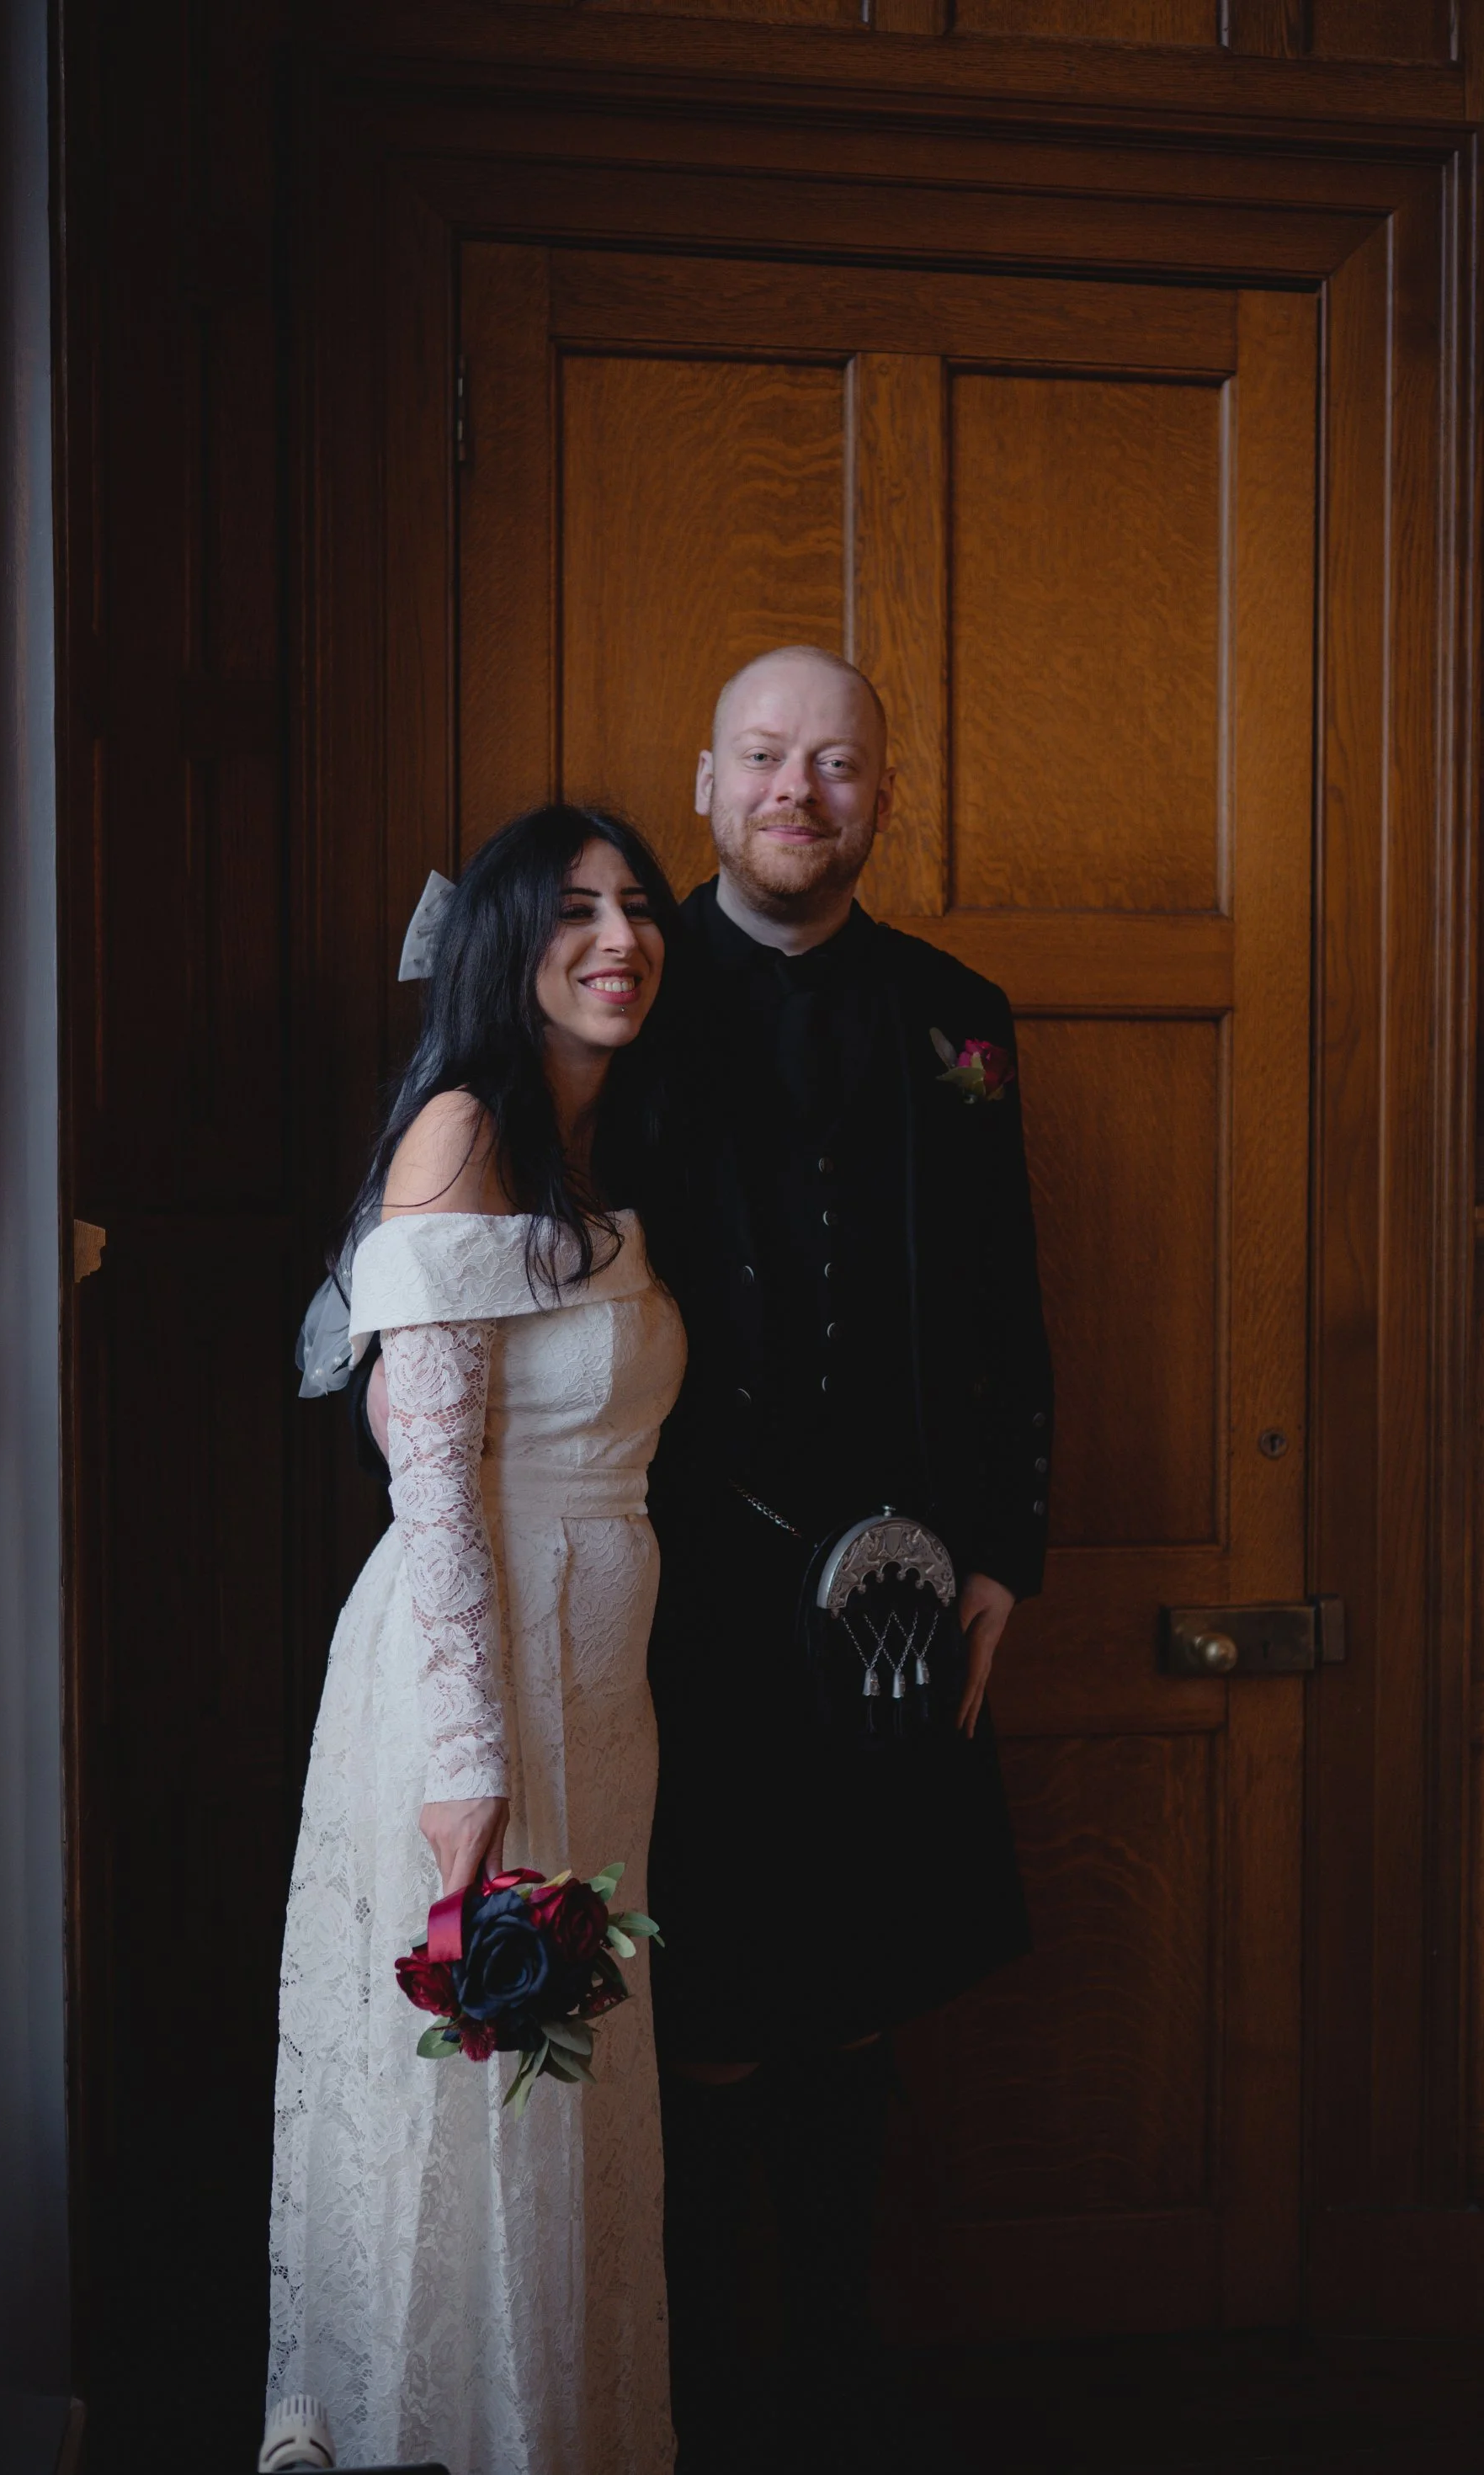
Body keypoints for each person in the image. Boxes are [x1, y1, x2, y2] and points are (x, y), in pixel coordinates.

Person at [641, 646, 1051, 2472]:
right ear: (707, 788)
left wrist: (1005, 1555)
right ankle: (694, 2398)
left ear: (880, 796)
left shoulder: (960, 1018)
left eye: (836, 764)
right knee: (701, 2003)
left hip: (895, 1588)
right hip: (669, 1601)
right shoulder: (608, 988)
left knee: (861, 1986)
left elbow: (1004, 1312)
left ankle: (830, 2389)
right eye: (763, 757)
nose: (798, 790)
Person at [264, 806, 686, 2475]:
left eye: (640, 908)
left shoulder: (602, 1147)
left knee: (567, 2107)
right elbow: (433, 1489)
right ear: (503, 949)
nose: (619, 938)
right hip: (472, 1682)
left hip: (601, 1689)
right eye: (574, 911)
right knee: (466, 2116)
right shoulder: (459, 1134)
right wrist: (466, 1772)